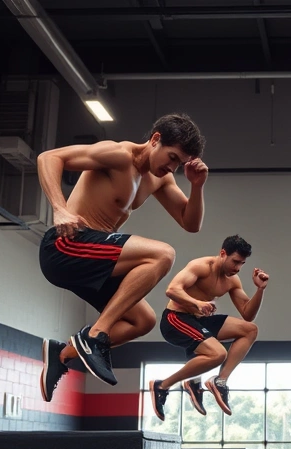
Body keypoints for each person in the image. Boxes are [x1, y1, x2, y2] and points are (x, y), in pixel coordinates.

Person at [37, 114, 208, 403]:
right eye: (172, 157)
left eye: (179, 163)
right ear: (155, 139)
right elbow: (49, 157)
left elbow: (190, 223)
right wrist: (59, 208)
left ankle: (62, 354)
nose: (172, 167)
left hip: (94, 259)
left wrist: (197, 186)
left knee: (142, 320)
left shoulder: (159, 178)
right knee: (163, 254)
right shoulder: (118, 155)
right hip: (65, 245)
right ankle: (96, 335)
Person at [149, 235, 268, 421]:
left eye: (242, 264)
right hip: (175, 319)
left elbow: (247, 313)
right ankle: (162, 385)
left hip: (199, 321)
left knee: (250, 330)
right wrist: (196, 303)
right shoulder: (201, 266)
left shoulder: (232, 280)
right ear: (223, 253)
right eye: (235, 261)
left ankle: (220, 381)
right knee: (218, 354)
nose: (237, 268)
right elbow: (172, 289)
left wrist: (260, 290)